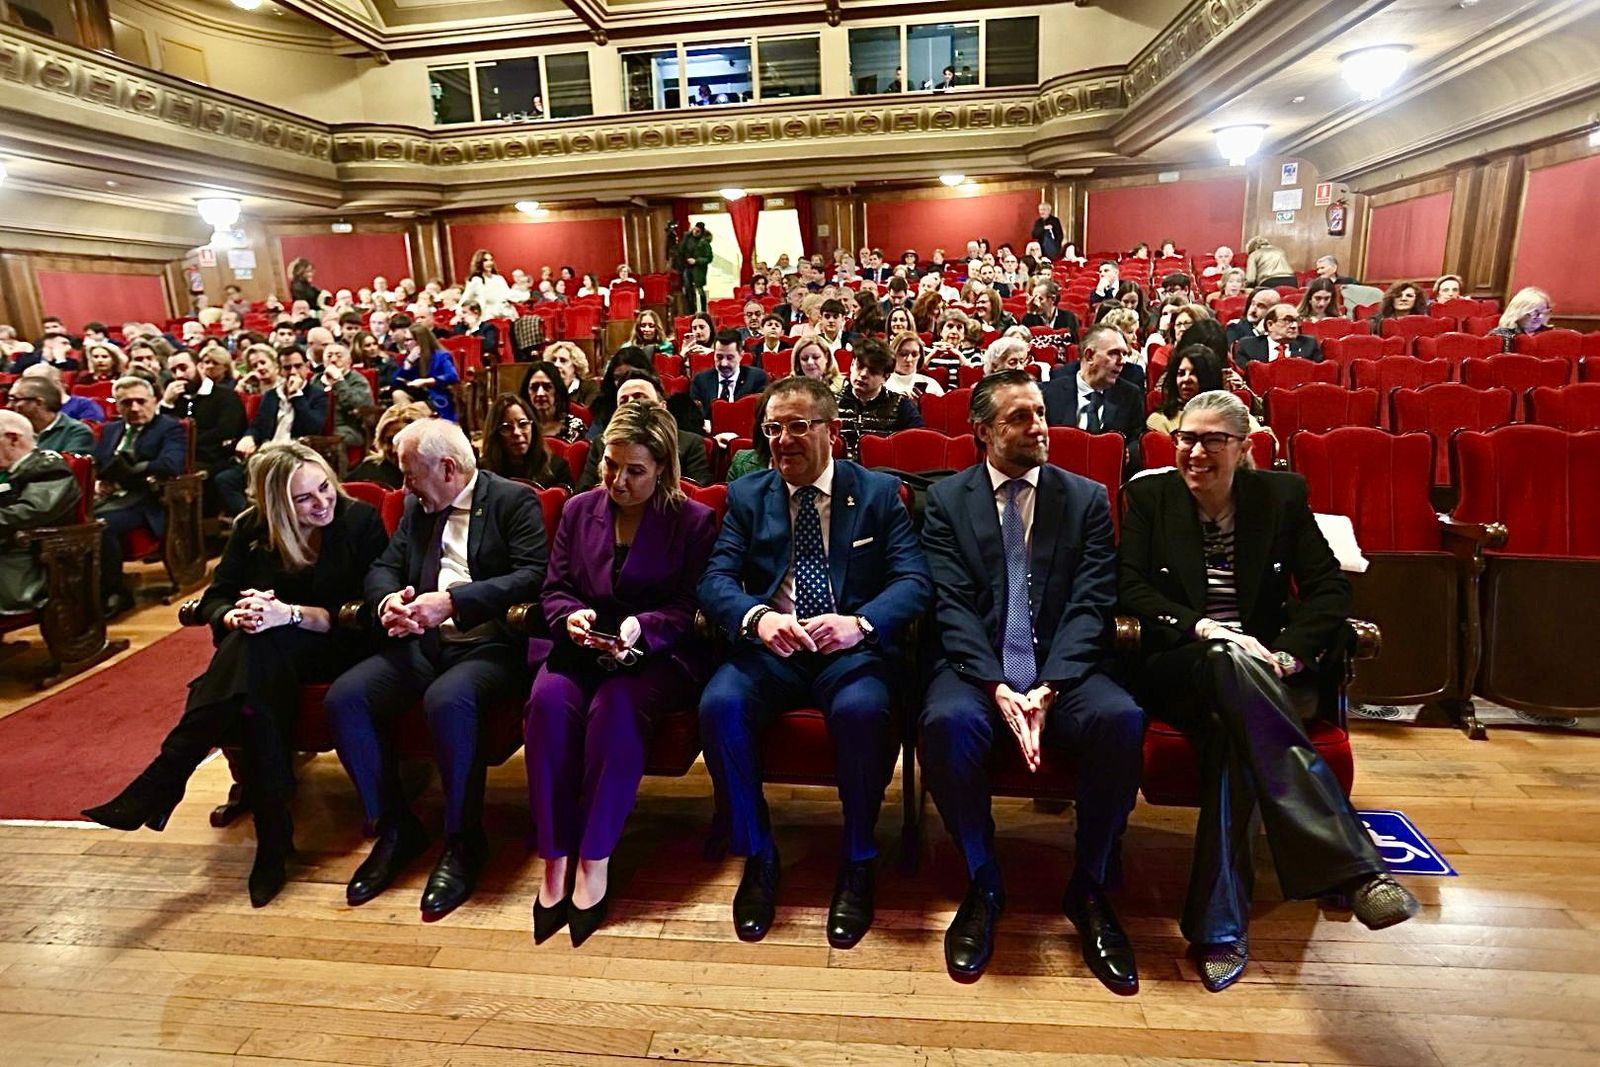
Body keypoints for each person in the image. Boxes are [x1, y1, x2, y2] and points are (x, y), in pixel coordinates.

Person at [1118, 390, 1419, 991]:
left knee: (1237, 741)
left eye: (1212, 440)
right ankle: (1353, 867)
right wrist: (1204, 628)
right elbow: (1129, 590)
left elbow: (1330, 591)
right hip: (1185, 665)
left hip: (1274, 672)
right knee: (1228, 660)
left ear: (1245, 448)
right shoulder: (1151, 496)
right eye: (1185, 437)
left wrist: (1287, 654)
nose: (1194, 451)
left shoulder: (1281, 498)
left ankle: (1219, 930)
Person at [82, 443, 389, 905]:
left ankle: (172, 777)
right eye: (304, 499)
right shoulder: (252, 528)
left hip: (335, 643)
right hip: (269, 652)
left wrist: (285, 614)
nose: (322, 502)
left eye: (324, 487)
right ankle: (271, 835)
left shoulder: (358, 520)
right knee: (254, 679)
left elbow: (362, 614)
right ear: (275, 506)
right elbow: (216, 597)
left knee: (252, 659)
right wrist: (236, 617)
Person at [918, 370, 1143, 986]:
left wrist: (1049, 686)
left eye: (1040, 413)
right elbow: (952, 605)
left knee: (1120, 720)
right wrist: (996, 686)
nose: (1038, 426)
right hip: (977, 669)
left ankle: (1090, 884)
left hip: (1062, 670)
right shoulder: (946, 501)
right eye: (1019, 417)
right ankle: (983, 877)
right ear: (983, 431)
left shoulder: (1087, 498)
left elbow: (1093, 602)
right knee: (945, 723)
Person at [698, 376, 933, 948]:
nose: (783, 440)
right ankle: (758, 853)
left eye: (798, 426)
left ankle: (858, 857)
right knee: (719, 706)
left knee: (862, 713)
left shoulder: (877, 494)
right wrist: (758, 618)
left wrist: (861, 623)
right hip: (774, 647)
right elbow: (716, 580)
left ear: (832, 431)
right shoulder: (750, 495)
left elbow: (914, 581)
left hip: (848, 652)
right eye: (773, 429)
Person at [326, 419, 549, 919]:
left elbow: (533, 575)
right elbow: (385, 564)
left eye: (409, 474)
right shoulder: (416, 506)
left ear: (447, 468)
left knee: (448, 701)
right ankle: (394, 826)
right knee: (346, 698)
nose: (403, 486)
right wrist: (388, 602)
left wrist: (453, 602)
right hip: (421, 642)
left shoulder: (513, 500)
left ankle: (463, 839)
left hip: (490, 645)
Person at [527, 399, 718, 946]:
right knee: (547, 706)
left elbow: (689, 609)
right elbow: (554, 589)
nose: (618, 480)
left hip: (653, 654)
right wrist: (572, 617)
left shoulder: (692, 519)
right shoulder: (577, 509)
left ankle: (595, 857)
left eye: (635, 470)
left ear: (662, 468)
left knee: (615, 710)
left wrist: (642, 628)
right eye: (611, 464)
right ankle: (555, 856)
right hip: (581, 641)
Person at [93, 377, 188, 616]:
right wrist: (99, 481)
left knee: (101, 526)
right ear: (117, 406)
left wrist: (132, 472)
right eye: (126, 403)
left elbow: (170, 464)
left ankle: (115, 591)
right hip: (109, 496)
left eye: (140, 401)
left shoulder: (170, 428)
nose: (134, 408)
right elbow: (99, 462)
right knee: (74, 521)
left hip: (147, 500)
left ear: (154, 401)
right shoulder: (111, 429)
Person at [0, 408, 83, 613]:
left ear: (13, 439)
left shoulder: (49, 469)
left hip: (31, 563)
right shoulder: (9, 471)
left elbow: (30, 512)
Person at [577, 372, 710, 491]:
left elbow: (698, 493)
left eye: (640, 397)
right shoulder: (601, 442)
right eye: (623, 401)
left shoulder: (690, 443)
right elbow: (584, 490)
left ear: (662, 406)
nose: (632, 404)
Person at [1042, 325, 1143, 474]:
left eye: (1124, 354)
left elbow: (1138, 438)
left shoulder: (1130, 395)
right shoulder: (1049, 394)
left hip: (1108, 478)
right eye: (1114, 354)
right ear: (1089, 356)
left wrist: (1129, 452)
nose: (1122, 361)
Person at [160, 349, 249, 516]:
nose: (179, 375)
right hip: (180, 458)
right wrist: (166, 404)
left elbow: (225, 431)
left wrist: (185, 441)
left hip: (216, 458)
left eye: (183, 367)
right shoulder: (176, 399)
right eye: (173, 371)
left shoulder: (225, 396)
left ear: (200, 367)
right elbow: (162, 433)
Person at [835, 338, 923, 460]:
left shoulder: (902, 406)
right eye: (860, 366)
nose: (864, 374)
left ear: (886, 377)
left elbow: (918, 444)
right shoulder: (830, 403)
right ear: (851, 365)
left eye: (873, 371)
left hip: (882, 473)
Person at [1147, 346, 1267, 436]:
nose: (1186, 379)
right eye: (1181, 373)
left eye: (1194, 373)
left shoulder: (1233, 413)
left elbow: (1263, 441)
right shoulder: (1160, 420)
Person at [480, 392, 572, 488]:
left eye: (523, 424)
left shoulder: (556, 468)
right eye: (507, 427)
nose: (517, 433)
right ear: (495, 433)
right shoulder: (483, 472)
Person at [690, 330, 769, 425]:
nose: (724, 363)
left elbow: (761, 418)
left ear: (741, 355)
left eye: (730, 358)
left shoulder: (757, 379)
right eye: (719, 357)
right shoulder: (700, 380)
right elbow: (695, 418)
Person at [346, 401, 430, 489]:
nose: (395, 450)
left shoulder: (438, 473)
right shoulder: (367, 474)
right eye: (389, 441)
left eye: (402, 442)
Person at [8, 377, 93, 455]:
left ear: (39, 403)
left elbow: (66, 468)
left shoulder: (76, 432)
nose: (9, 405)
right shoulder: (10, 429)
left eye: (15, 399)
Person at [393, 324, 460, 421]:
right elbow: (395, 383)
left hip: (437, 397)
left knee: (413, 409)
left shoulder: (441, 356)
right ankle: (411, 427)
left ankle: (413, 427)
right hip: (418, 395)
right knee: (398, 394)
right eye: (405, 340)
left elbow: (453, 376)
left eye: (409, 340)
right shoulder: (409, 358)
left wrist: (426, 381)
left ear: (420, 341)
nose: (406, 343)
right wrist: (408, 363)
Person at [319, 341, 376, 451]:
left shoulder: (358, 380)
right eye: (329, 356)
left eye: (339, 356)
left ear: (349, 361)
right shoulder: (316, 380)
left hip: (348, 428)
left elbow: (358, 405)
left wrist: (339, 381)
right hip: (319, 427)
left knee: (334, 442)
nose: (333, 360)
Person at [519, 361, 588, 442]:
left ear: (557, 391)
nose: (540, 393)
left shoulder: (574, 427)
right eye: (534, 387)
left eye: (547, 387)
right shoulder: (519, 428)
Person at [1236, 304, 1323, 367]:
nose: (1294, 326)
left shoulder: (1309, 344)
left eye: (1296, 320)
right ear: (1270, 324)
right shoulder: (1248, 346)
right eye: (1287, 320)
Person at [460, 249, 517, 321]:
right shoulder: (476, 280)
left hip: (504, 314)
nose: (489, 263)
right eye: (486, 260)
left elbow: (508, 294)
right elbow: (464, 300)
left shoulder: (499, 278)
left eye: (491, 260)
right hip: (487, 317)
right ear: (479, 263)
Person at [1489, 287, 1552, 351]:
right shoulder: (1500, 335)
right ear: (1518, 312)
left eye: (1544, 312)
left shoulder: (1550, 334)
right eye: (1534, 312)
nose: (1540, 316)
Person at [887, 329, 944, 398]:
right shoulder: (881, 385)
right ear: (893, 355)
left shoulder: (931, 385)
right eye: (903, 354)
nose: (909, 359)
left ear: (920, 357)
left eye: (914, 354)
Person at [676, 222, 713, 313]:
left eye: (698, 231)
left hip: (698, 269)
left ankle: (703, 310)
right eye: (694, 230)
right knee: (688, 289)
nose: (695, 232)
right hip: (686, 267)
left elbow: (709, 258)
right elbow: (680, 250)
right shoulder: (687, 238)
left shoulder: (704, 242)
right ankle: (691, 311)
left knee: (699, 289)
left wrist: (696, 261)